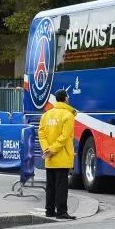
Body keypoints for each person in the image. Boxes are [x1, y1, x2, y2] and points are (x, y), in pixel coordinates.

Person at [38, 89, 77, 220]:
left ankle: (49, 210)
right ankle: (61, 211)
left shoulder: (46, 115)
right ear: (65, 99)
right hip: (62, 156)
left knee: (50, 185)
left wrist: (47, 149)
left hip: (49, 157)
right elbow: (64, 137)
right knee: (61, 185)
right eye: (68, 97)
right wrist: (53, 149)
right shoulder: (68, 115)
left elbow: (41, 134)